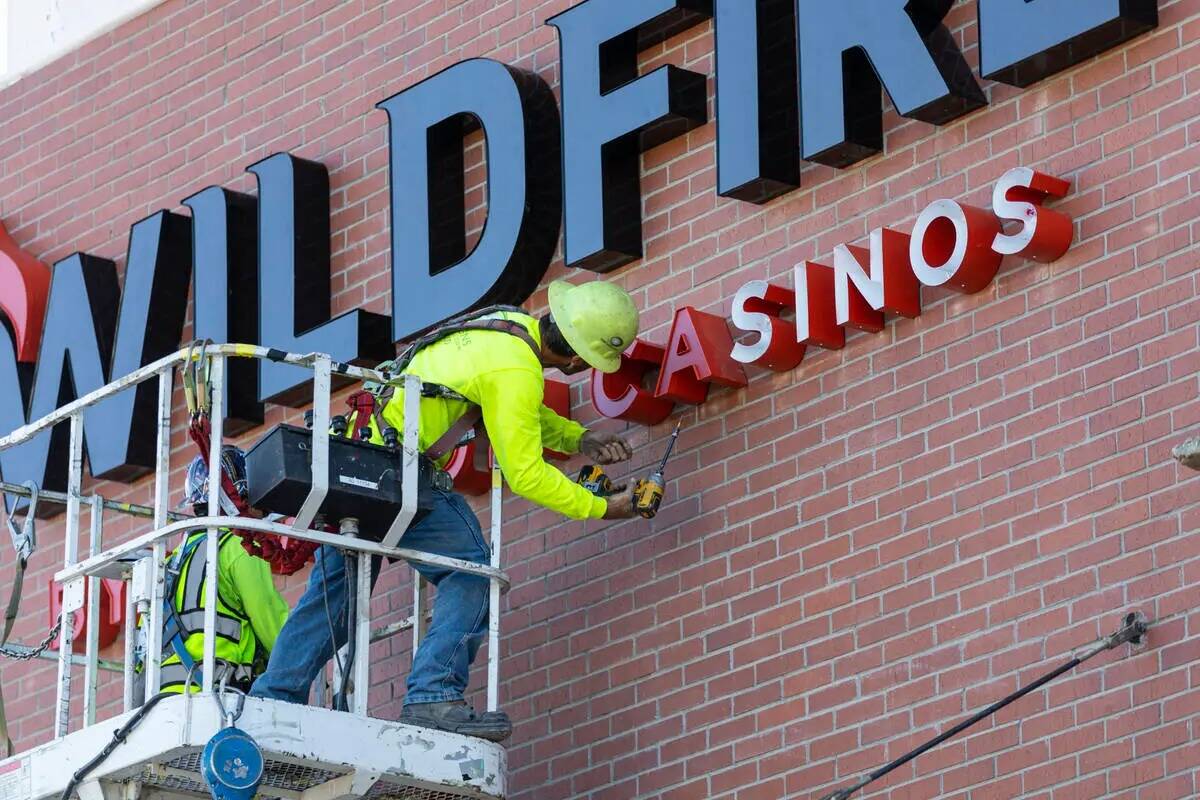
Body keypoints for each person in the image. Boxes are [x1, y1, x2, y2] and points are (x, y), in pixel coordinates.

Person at [250, 279, 642, 741]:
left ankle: (272, 701)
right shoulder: (516, 370)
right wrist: (602, 508)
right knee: (470, 569)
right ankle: (434, 695)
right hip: (397, 475)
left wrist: (579, 438)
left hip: (357, 461)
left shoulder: (508, 327)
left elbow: (516, 407)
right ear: (577, 358)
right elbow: (526, 474)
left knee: (335, 595)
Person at [153, 446, 289, 694]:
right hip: (217, 693)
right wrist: (303, 662)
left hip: (162, 699)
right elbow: (273, 624)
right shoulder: (240, 546)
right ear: (239, 494)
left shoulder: (173, 561)